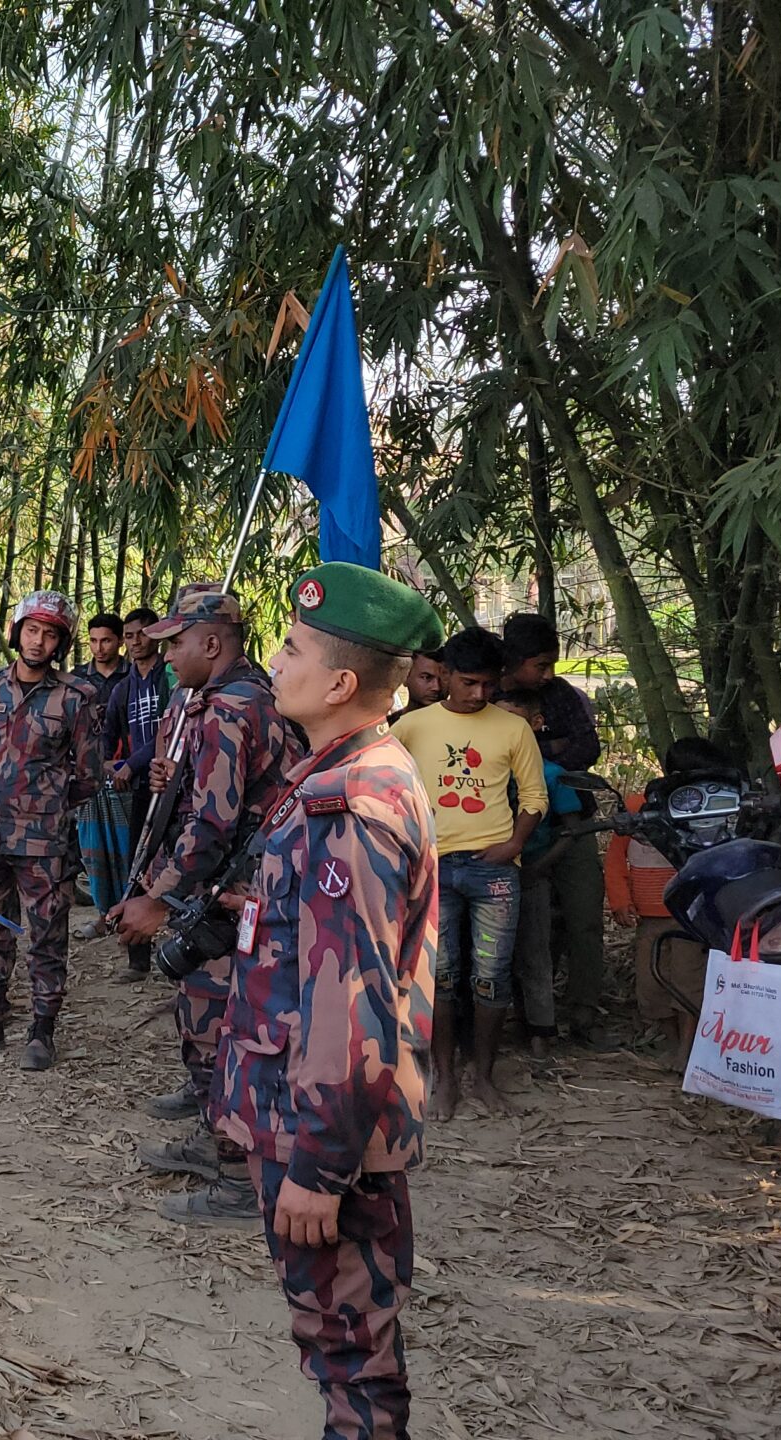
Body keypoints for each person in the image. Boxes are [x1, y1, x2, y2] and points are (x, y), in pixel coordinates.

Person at [223, 561, 440, 1440]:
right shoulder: (343, 774)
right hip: (309, 1115)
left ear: (342, 682)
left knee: (350, 1353)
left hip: (322, 1131)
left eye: (293, 648)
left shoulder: (351, 802)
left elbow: (353, 1003)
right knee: (339, 1345)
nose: (275, 661)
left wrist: (316, 1167)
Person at [106, 585, 305, 1227]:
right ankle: (215, 1136)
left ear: (211, 644)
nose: (166, 656)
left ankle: (238, 1174)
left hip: (231, 887)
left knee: (215, 1025)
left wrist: (156, 896)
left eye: (176, 643)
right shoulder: (229, 701)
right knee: (207, 1018)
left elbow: (211, 823)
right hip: (234, 885)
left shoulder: (229, 711)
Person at [392, 626, 546, 1119]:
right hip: (434, 868)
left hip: (494, 871)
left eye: (488, 685)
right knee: (440, 976)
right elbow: (384, 783)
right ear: (445, 676)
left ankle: (483, 1075)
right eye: (469, 683)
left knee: (491, 978)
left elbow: (535, 796)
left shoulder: (512, 728)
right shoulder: (413, 727)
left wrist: (515, 843)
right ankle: (443, 1077)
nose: (479, 694)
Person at [0, 590, 99, 1071]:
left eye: (50, 634)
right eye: (32, 630)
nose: (38, 641)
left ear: (61, 643)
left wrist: (45, 804)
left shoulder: (75, 697)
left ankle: (41, 1029)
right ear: (17, 632)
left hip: (44, 842)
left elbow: (88, 774)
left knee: (47, 935)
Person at [499, 612, 608, 1044]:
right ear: (512, 661)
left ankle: (584, 1013)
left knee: (583, 917)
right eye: (539, 665)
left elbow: (587, 748)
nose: (548, 674)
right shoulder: (485, 693)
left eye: (552, 664)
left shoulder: (562, 696)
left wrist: (534, 754)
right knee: (521, 931)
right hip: (505, 827)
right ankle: (523, 1019)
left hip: (572, 820)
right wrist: (547, 749)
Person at [615, 737, 731, 1058]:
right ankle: (673, 1042)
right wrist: (620, 900)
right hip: (649, 914)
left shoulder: (713, 809)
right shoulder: (639, 806)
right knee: (652, 983)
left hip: (689, 913)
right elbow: (616, 857)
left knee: (687, 980)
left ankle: (687, 1049)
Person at [101, 605, 172, 979]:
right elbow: (107, 736)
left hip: (172, 782)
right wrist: (108, 765)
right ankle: (138, 960)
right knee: (138, 864)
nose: (134, 642)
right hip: (141, 790)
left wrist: (132, 763)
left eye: (141, 634)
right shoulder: (124, 687)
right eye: (128, 636)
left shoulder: (170, 678)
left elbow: (167, 732)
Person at [71, 612, 131, 939]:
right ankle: (102, 914)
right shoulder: (78, 679)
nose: (99, 647)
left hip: (125, 775)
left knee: (125, 849)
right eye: (93, 641)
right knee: (92, 850)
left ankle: (127, 913)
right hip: (89, 775)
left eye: (106, 640)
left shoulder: (133, 675)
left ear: (119, 641)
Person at [398, 647, 447, 718]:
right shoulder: (387, 726)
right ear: (405, 677)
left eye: (444, 679)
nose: (437, 687)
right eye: (426, 677)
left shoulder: (462, 727)